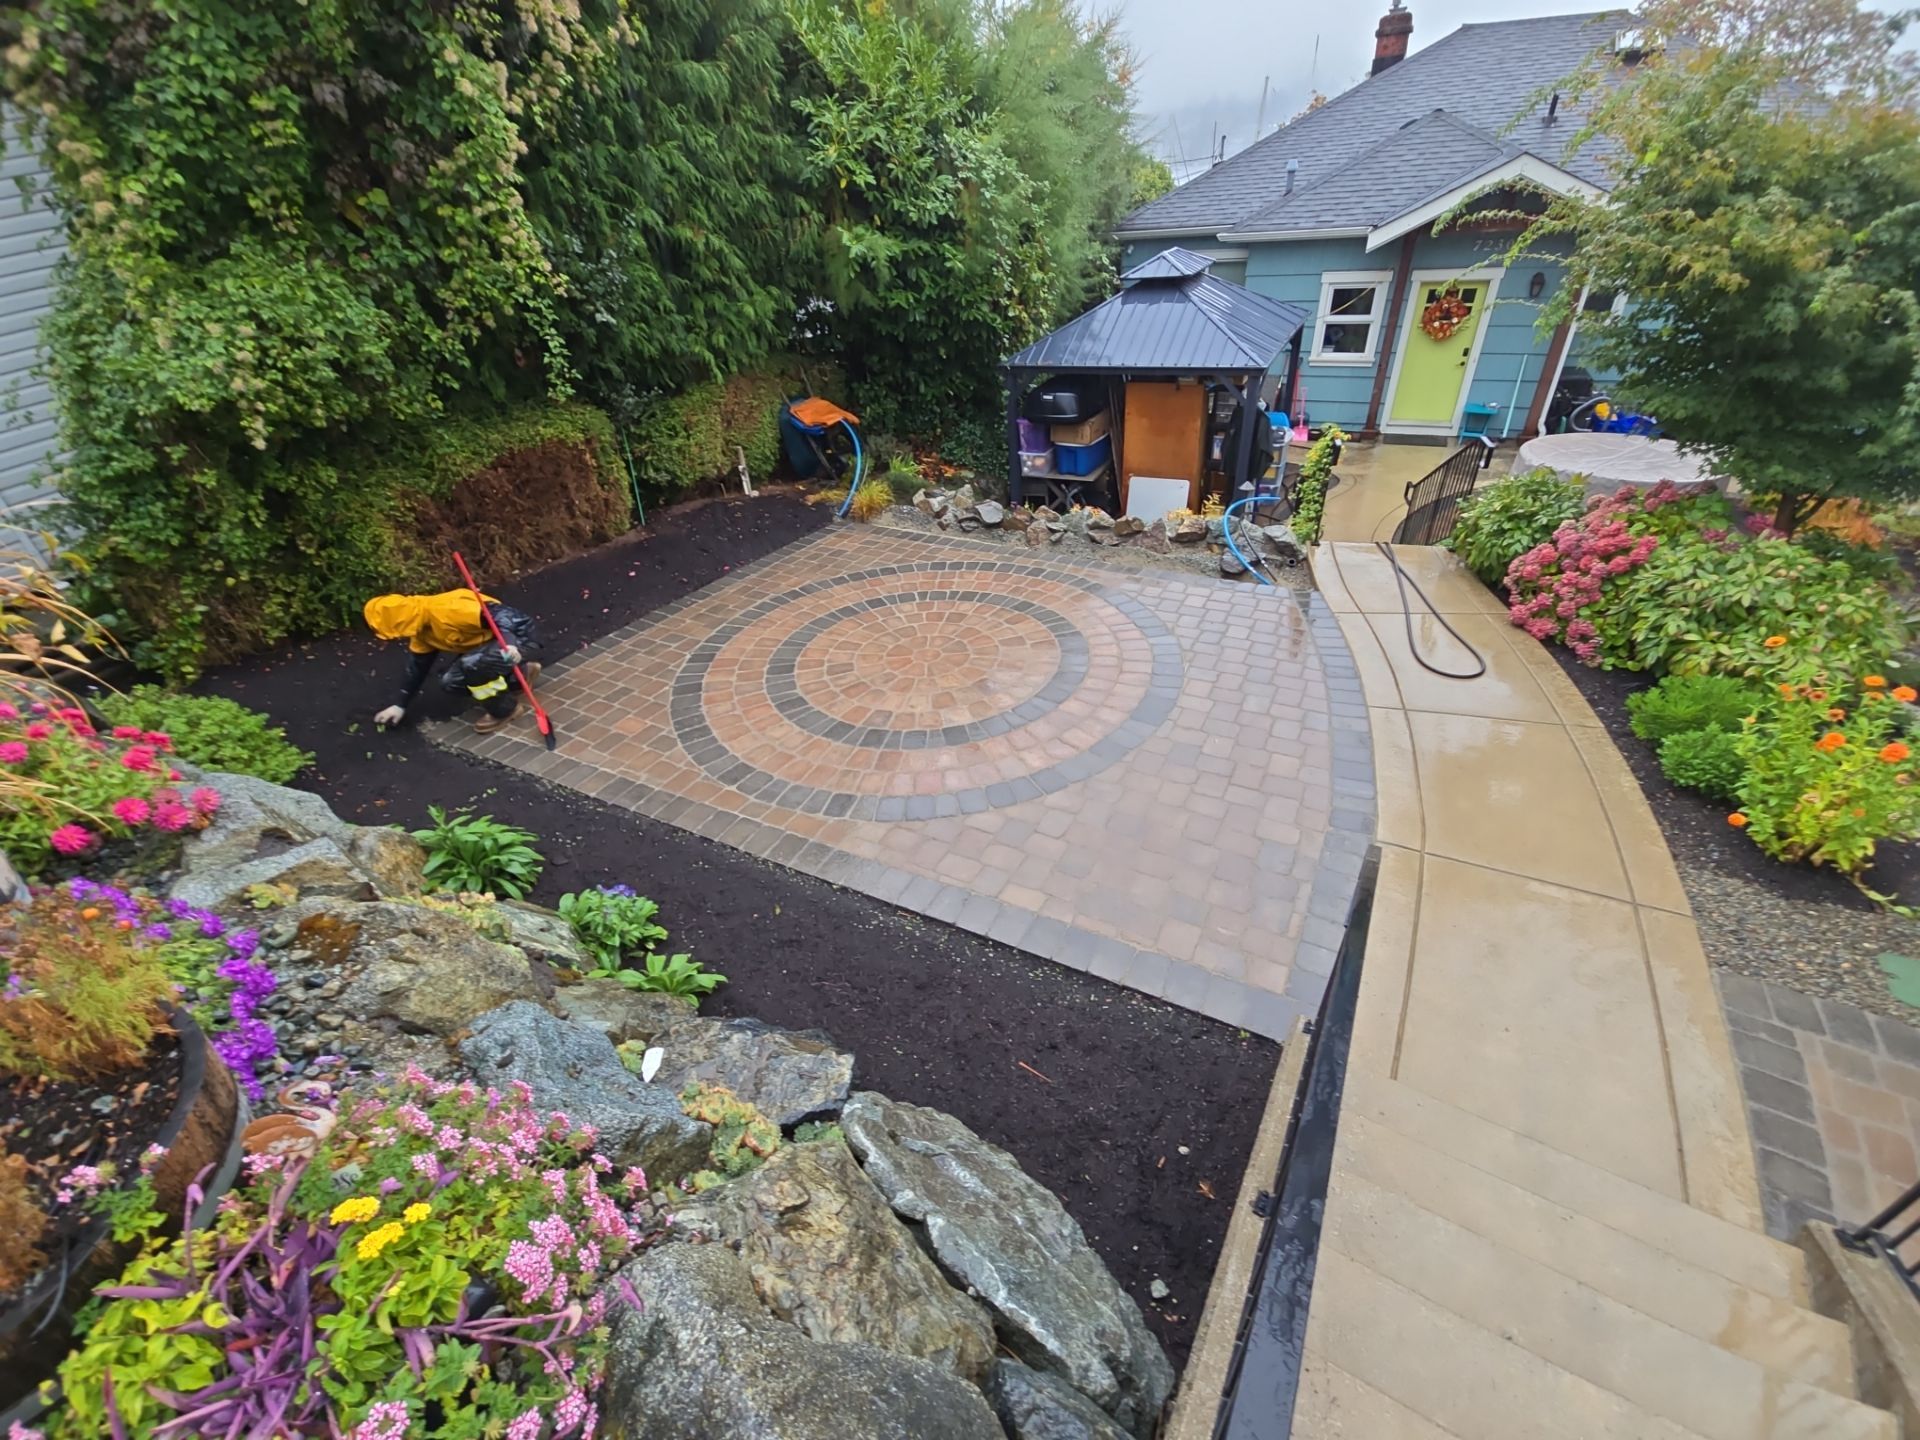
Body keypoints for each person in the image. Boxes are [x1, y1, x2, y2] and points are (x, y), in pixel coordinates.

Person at [363, 589, 543, 734]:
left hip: (517, 635)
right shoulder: (421, 630)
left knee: (471, 665)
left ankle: (505, 710)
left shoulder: (448, 610)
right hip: (491, 646)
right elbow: (417, 667)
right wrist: (399, 705)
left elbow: (507, 616)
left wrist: (510, 645)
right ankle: (520, 676)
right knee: (452, 682)